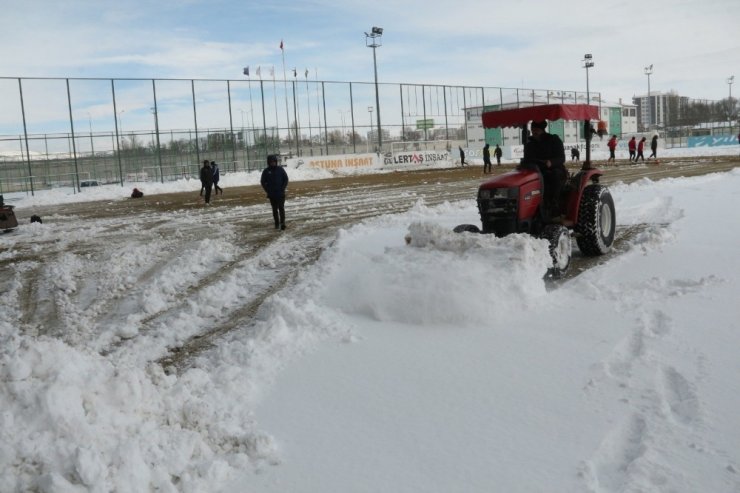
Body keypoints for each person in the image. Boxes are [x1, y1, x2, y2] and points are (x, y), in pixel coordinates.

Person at [522, 120, 566, 221]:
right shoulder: (530, 144)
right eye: (533, 130)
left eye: (537, 130)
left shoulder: (554, 140)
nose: (534, 132)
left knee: (553, 176)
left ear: (542, 130)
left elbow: (561, 158)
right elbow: (527, 159)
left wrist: (551, 162)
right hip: (535, 171)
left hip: (554, 170)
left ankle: (554, 205)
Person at [261, 154, 289, 230]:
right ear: (268, 162)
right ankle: (276, 223)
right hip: (272, 195)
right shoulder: (266, 171)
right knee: (274, 209)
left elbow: (286, 179)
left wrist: (282, 188)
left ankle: (282, 223)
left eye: (274, 161)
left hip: (280, 193)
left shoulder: (280, 169)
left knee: (281, 208)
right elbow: (263, 182)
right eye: (271, 162)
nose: (273, 163)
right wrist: (268, 190)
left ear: (276, 162)